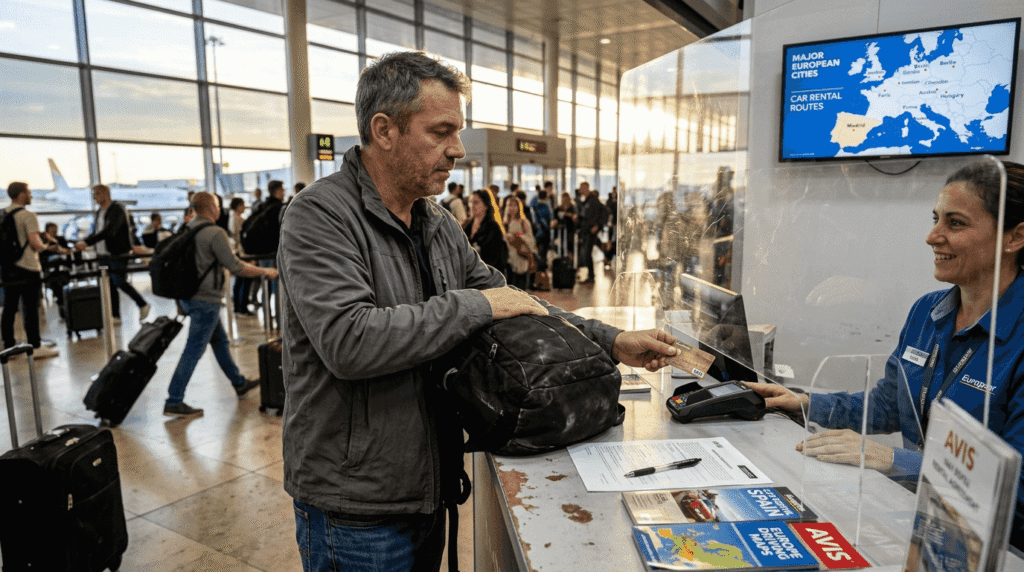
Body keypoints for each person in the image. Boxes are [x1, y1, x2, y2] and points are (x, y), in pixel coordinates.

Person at [277, 51, 679, 572]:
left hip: (427, 484)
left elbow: (511, 300)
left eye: (458, 132)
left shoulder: (435, 222)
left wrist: (611, 340)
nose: (458, 150)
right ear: (384, 130)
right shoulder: (319, 216)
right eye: (440, 132)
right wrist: (476, 305)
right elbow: (349, 341)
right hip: (357, 506)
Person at [748, 160, 1024, 548]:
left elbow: (1018, 489)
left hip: (997, 548)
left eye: (955, 223)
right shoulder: (928, 312)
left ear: (1015, 237)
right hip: (921, 519)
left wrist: (892, 459)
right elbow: (890, 405)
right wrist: (806, 404)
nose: (932, 237)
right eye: (936, 219)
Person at [162, 192, 277, 416]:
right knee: (194, 349)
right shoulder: (214, 233)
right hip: (206, 301)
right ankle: (174, 399)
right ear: (212, 208)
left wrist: (179, 301)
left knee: (220, 342)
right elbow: (236, 266)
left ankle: (239, 383)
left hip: (189, 297)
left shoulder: (186, 229)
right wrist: (265, 271)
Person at [1, 183, 67, 358]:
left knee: (9, 308)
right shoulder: (28, 215)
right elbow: (35, 244)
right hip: (28, 267)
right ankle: (35, 346)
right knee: (30, 308)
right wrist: (47, 246)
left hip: (8, 268)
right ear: (21, 194)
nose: (31, 195)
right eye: (28, 192)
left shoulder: (3, 214)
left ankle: (9, 346)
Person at [75, 184, 151, 325]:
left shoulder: (117, 210)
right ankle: (115, 316)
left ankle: (142, 304)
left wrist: (86, 242)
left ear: (105, 194)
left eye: (96, 194)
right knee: (109, 284)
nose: (94, 197)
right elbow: (97, 232)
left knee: (119, 281)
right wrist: (85, 242)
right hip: (102, 255)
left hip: (117, 254)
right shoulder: (100, 212)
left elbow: (110, 231)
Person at [464, 188, 508, 272]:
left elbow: (494, 259)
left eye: (476, 202)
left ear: (486, 206)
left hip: (488, 274)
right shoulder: (467, 227)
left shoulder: (493, 228)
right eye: (470, 202)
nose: (472, 206)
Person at [576, 182, 607, 284]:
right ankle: (590, 275)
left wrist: (597, 225)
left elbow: (604, 212)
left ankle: (591, 276)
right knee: (585, 253)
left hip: (590, 231)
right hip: (585, 230)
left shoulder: (593, 200)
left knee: (587, 253)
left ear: (586, 188)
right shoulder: (586, 201)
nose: (580, 190)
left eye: (582, 188)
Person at [503, 195, 535, 290]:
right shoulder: (505, 222)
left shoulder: (524, 222)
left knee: (520, 286)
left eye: (514, 205)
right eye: (510, 205)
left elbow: (531, 239)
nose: (512, 208)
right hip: (509, 257)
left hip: (520, 256)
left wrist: (517, 236)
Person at [228, 197, 253, 316]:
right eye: (242, 205)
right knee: (245, 280)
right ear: (238, 206)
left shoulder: (232, 218)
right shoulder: (238, 220)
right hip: (242, 253)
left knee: (239, 281)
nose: (244, 207)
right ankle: (242, 307)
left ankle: (237, 306)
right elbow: (240, 239)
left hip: (237, 251)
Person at [529, 181, 554, 286]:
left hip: (536, 234)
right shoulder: (545, 207)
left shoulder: (533, 206)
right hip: (544, 234)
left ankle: (536, 275)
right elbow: (551, 218)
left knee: (537, 253)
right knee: (543, 254)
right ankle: (542, 275)